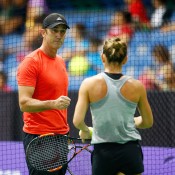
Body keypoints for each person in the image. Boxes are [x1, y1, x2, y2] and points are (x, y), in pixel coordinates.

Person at [73, 37, 153, 175]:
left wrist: (85, 130)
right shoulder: (137, 86)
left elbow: (77, 121)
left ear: (103, 57)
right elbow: (147, 122)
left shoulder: (88, 84)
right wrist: (131, 121)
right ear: (125, 59)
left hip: (103, 154)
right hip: (130, 151)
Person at [16, 13, 71, 175]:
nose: (59, 35)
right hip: (39, 137)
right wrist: (52, 104)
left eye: (62, 31)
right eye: (55, 30)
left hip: (61, 136)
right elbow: (24, 103)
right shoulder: (31, 62)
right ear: (43, 33)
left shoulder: (60, 61)